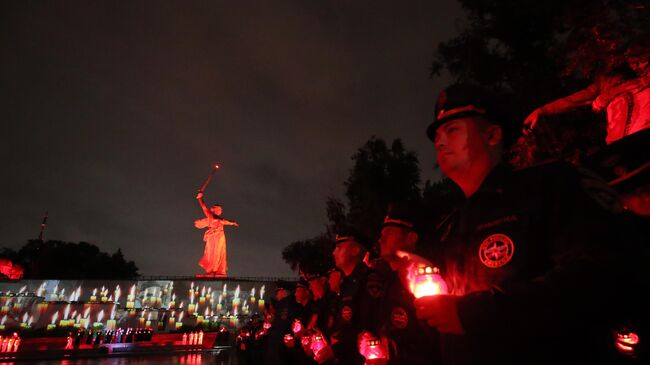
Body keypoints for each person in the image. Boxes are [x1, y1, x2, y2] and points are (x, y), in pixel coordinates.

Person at [417, 83, 648, 364]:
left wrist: (475, 313)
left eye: (452, 130)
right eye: (437, 135)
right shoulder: (451, 225)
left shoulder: (552, 185)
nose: (439, 142)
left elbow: (601, 274)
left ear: (492, 134)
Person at [523, 45, 650, 145]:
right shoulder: (605, 82)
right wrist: (542, 110)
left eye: (640, 62)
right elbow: (573, 101)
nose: (636, 66)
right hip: (622, 142)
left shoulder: (640, 78)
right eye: (633, 63)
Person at [372, 206, 441, 365]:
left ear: (411, 238)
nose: (380, 239)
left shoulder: (430, 279)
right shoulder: (389, 282)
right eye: (381, 234)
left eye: (388, 233)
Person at [314, 228, 383, 365]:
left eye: (339, 247)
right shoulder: (346, 285)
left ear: (355, 251)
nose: (334, 252)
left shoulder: (368, 281)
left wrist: (336, 350)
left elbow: (368, 326)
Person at [194, 192, 239, 276]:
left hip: (220, 236)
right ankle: (211, 270)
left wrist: (232, 223)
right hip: (212, 236)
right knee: (212, 252)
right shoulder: (210, 215)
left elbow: (224, 221)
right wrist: (200, 198)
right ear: (216, 210)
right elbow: (204, 207)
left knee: (218, 253)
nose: (221, 211)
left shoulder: (219, 218)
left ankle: (217, 270)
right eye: (220, 210)